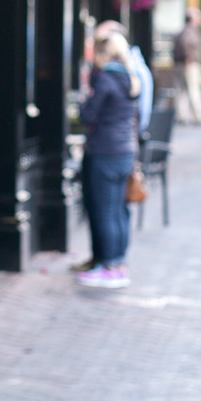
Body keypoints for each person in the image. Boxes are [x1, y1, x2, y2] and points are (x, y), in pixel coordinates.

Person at [72, 19, 152, 273]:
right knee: (119, 211)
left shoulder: (105, 80)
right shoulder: (131, 80)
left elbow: (88, 115)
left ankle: (108, 267)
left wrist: (84, 102)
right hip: (125, 151)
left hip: (105, 151)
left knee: (105, 211)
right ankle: (117, 263)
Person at [172, 9, 201, 125]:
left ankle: (181, 115)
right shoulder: (189, 31)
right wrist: (188, 58)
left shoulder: (185, 31)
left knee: (182, 91)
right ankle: (198, 116)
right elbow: (185, 44)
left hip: (183, 64)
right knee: (193, 90)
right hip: (189, 65)